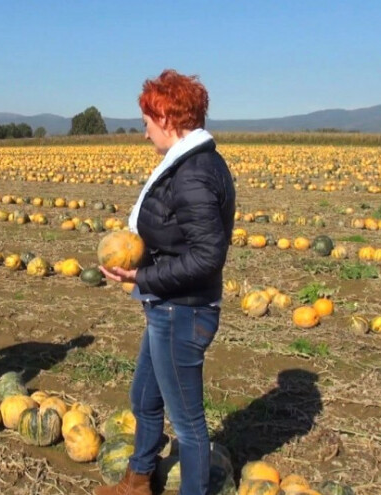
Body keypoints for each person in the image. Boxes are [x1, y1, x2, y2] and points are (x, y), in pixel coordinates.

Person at [98, 70, 235, 495]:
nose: (144, 134)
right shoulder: (188, 164)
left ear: (167, 118)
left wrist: (141, 275)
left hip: (183, 310)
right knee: (143, 399)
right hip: (168, 306)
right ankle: (139, 479)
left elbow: (207, 257)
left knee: (190, 425)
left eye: (146, 122)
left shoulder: (193, 173)